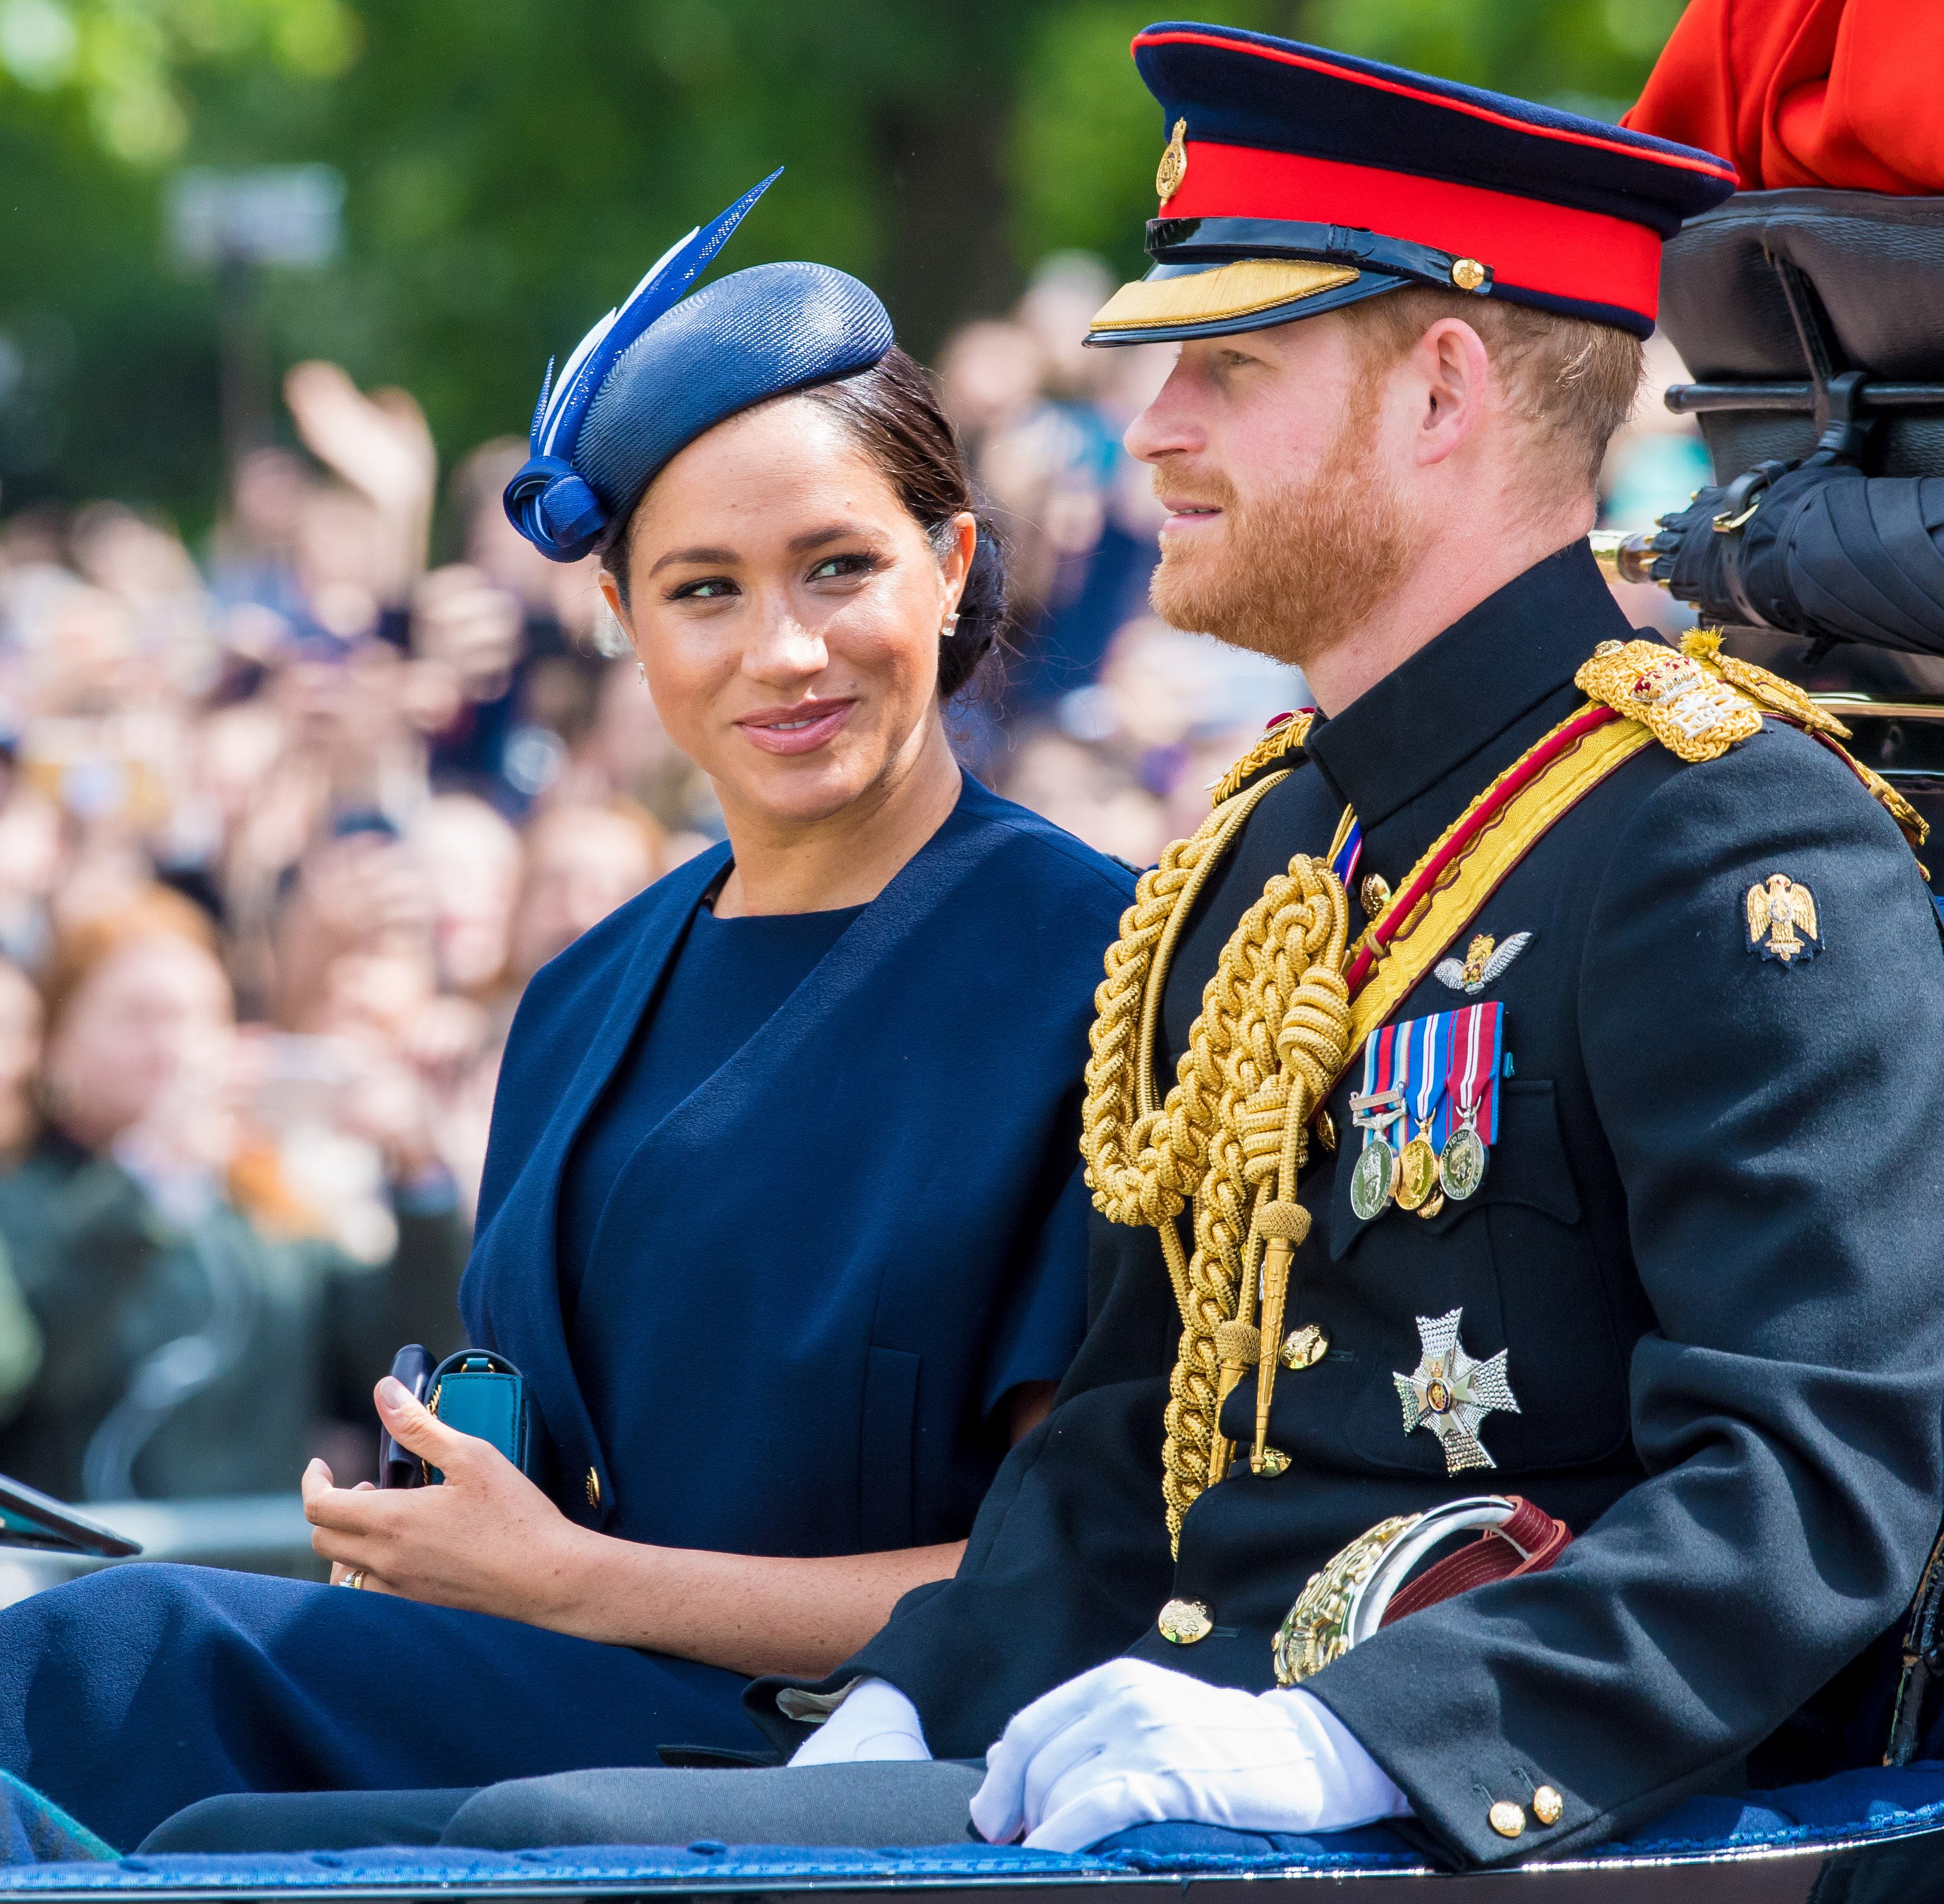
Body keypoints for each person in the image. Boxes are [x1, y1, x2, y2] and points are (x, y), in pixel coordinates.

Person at [189, 23, 1944, 1869]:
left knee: (518, 1846)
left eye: (1229, 366)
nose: (1154, 429)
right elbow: (1126, 1437)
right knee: (231, 1820)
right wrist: (906, 1709)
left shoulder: (1719, 839)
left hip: (1491, 1810)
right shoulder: (1275, 842)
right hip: (1147, 1744)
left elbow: (1809, 1479)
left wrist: (1351, 1745)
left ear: (1442, 393)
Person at [0, 183, 1133, 1853]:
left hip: (860, 1747)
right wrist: (437, 1523)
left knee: (130, 1680)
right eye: (702, 592)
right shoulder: (587, 990)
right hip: (569, 1683)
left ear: (950, 566)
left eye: (838, 567)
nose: (785, 650)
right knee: (87, 1676)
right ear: (618, 623)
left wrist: (576, 1580)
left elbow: (1073, 1572)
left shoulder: (1103, 964)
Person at [0, 886, 468, 1502]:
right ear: (58, 1046)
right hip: (87, 1578)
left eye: (199, 1016)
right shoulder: (26, 1203)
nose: (172, 1044)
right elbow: (36, 1361)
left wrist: (418, 1175)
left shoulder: (266, 1209)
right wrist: (147, 1175)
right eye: (139, 1016)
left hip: (253, 1576)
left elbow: (389, 1363)